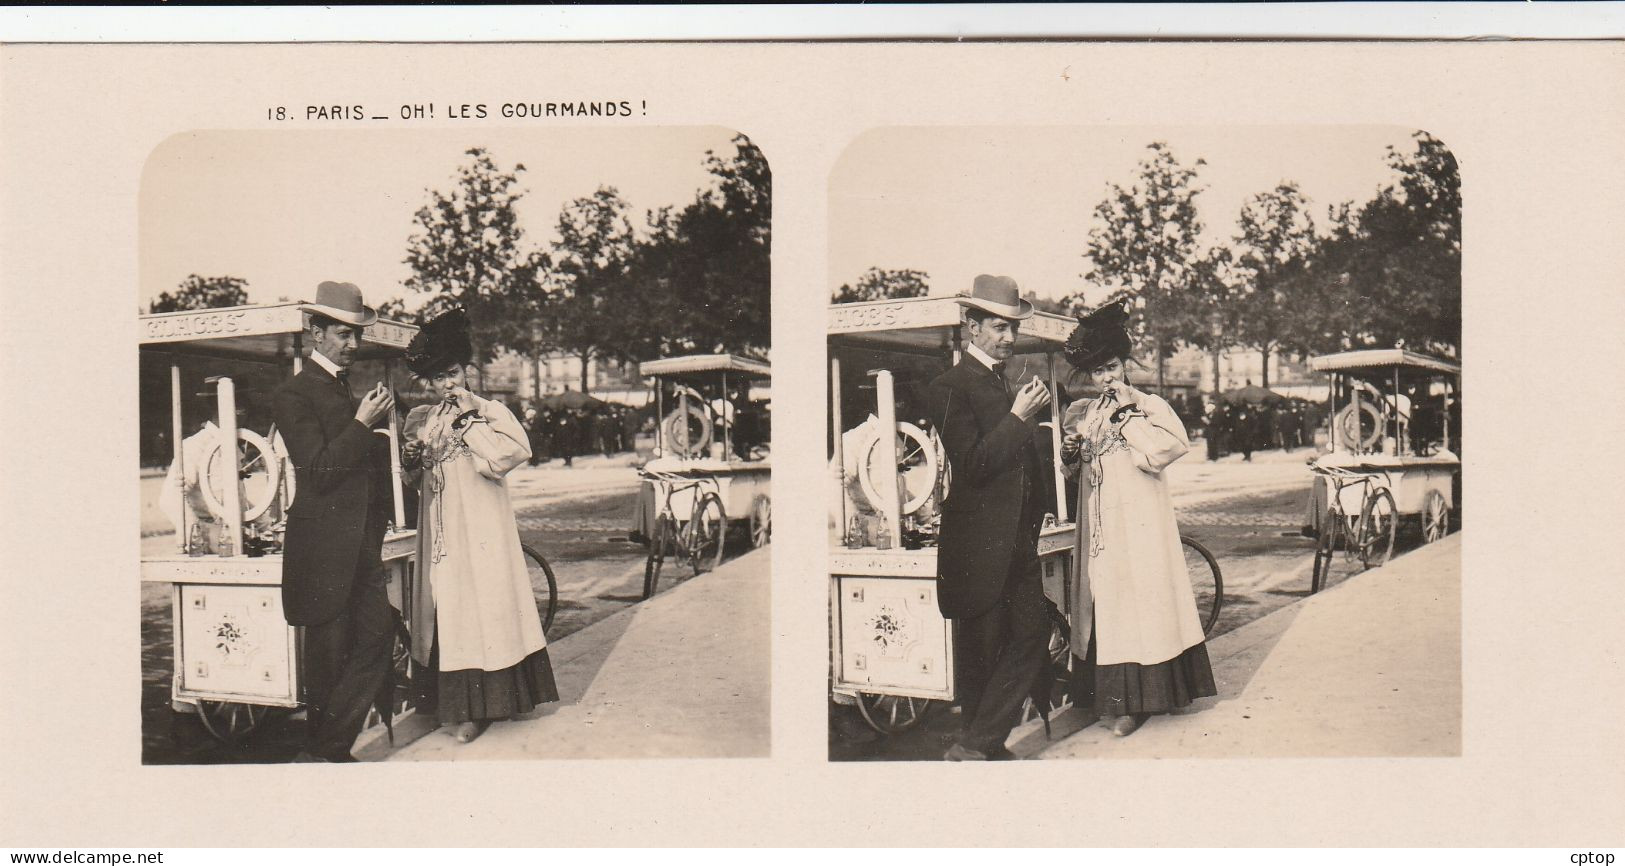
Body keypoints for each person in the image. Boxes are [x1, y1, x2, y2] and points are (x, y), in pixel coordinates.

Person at [1059, 300, 1217, 738]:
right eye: (1097, 372)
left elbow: (1163, 453)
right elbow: (1083, 470)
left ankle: (1141, 702)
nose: (1106, 378)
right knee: (1108, 606)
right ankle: (1109, 699)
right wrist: (1072, 457)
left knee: (1141, 606)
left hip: (1141, 527)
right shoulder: (1087, 413)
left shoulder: (1152, 406)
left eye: (1111, 368)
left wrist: (1129, 414)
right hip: (1103, 528)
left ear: (1124, 365)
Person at [400, 311, 560, 744]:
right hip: (443, 533)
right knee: (450, 610)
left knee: (483, 609)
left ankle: (486, 707)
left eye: (452, 373)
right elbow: (419, 481)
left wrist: (470, 421)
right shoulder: (427, 418)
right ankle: (454, 705)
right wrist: (415, 460)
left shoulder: (492, 412)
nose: (446, 385)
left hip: (482, 530)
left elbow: (507, 457)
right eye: (436, 378)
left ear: (466, 370)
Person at [926, 275, 1054, 762]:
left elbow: (1018, 463)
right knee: (984, 647)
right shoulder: (949, 387)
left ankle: (977, 743)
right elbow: (975, 464)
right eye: (999, 327)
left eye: (1013, 329)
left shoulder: (1001, 382)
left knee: (1029, 634)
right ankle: (981, 747)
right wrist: (1020, 418)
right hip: (978, 544)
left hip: (1015, 541)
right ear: (971, 327)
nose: (1008, 338)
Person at [273, 281, 397, 763]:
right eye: (344, 335)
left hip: (358, 546)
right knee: (326, 659)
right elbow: (321, 471)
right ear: (316, 332)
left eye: (356, 336)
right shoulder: (293, 394)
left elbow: (353, 466)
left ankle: (329, 744)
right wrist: (363, 424)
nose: (353, 345)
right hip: (323, 550)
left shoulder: (340, 389)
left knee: (377, 638)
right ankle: (327, 752)